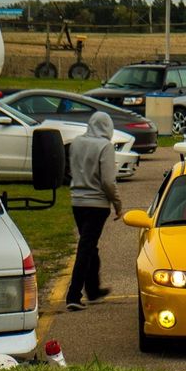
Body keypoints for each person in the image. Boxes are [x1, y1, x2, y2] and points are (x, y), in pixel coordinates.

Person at [65, 112, 122, 311]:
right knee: (86, 248)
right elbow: (107, 181)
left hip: (77, 202)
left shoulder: (76, 143)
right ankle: (73, 294)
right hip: (97, 204)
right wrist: (117, 203)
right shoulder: (105, 146)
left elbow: (71, 170)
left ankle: (93, 289)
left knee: (90, 245)